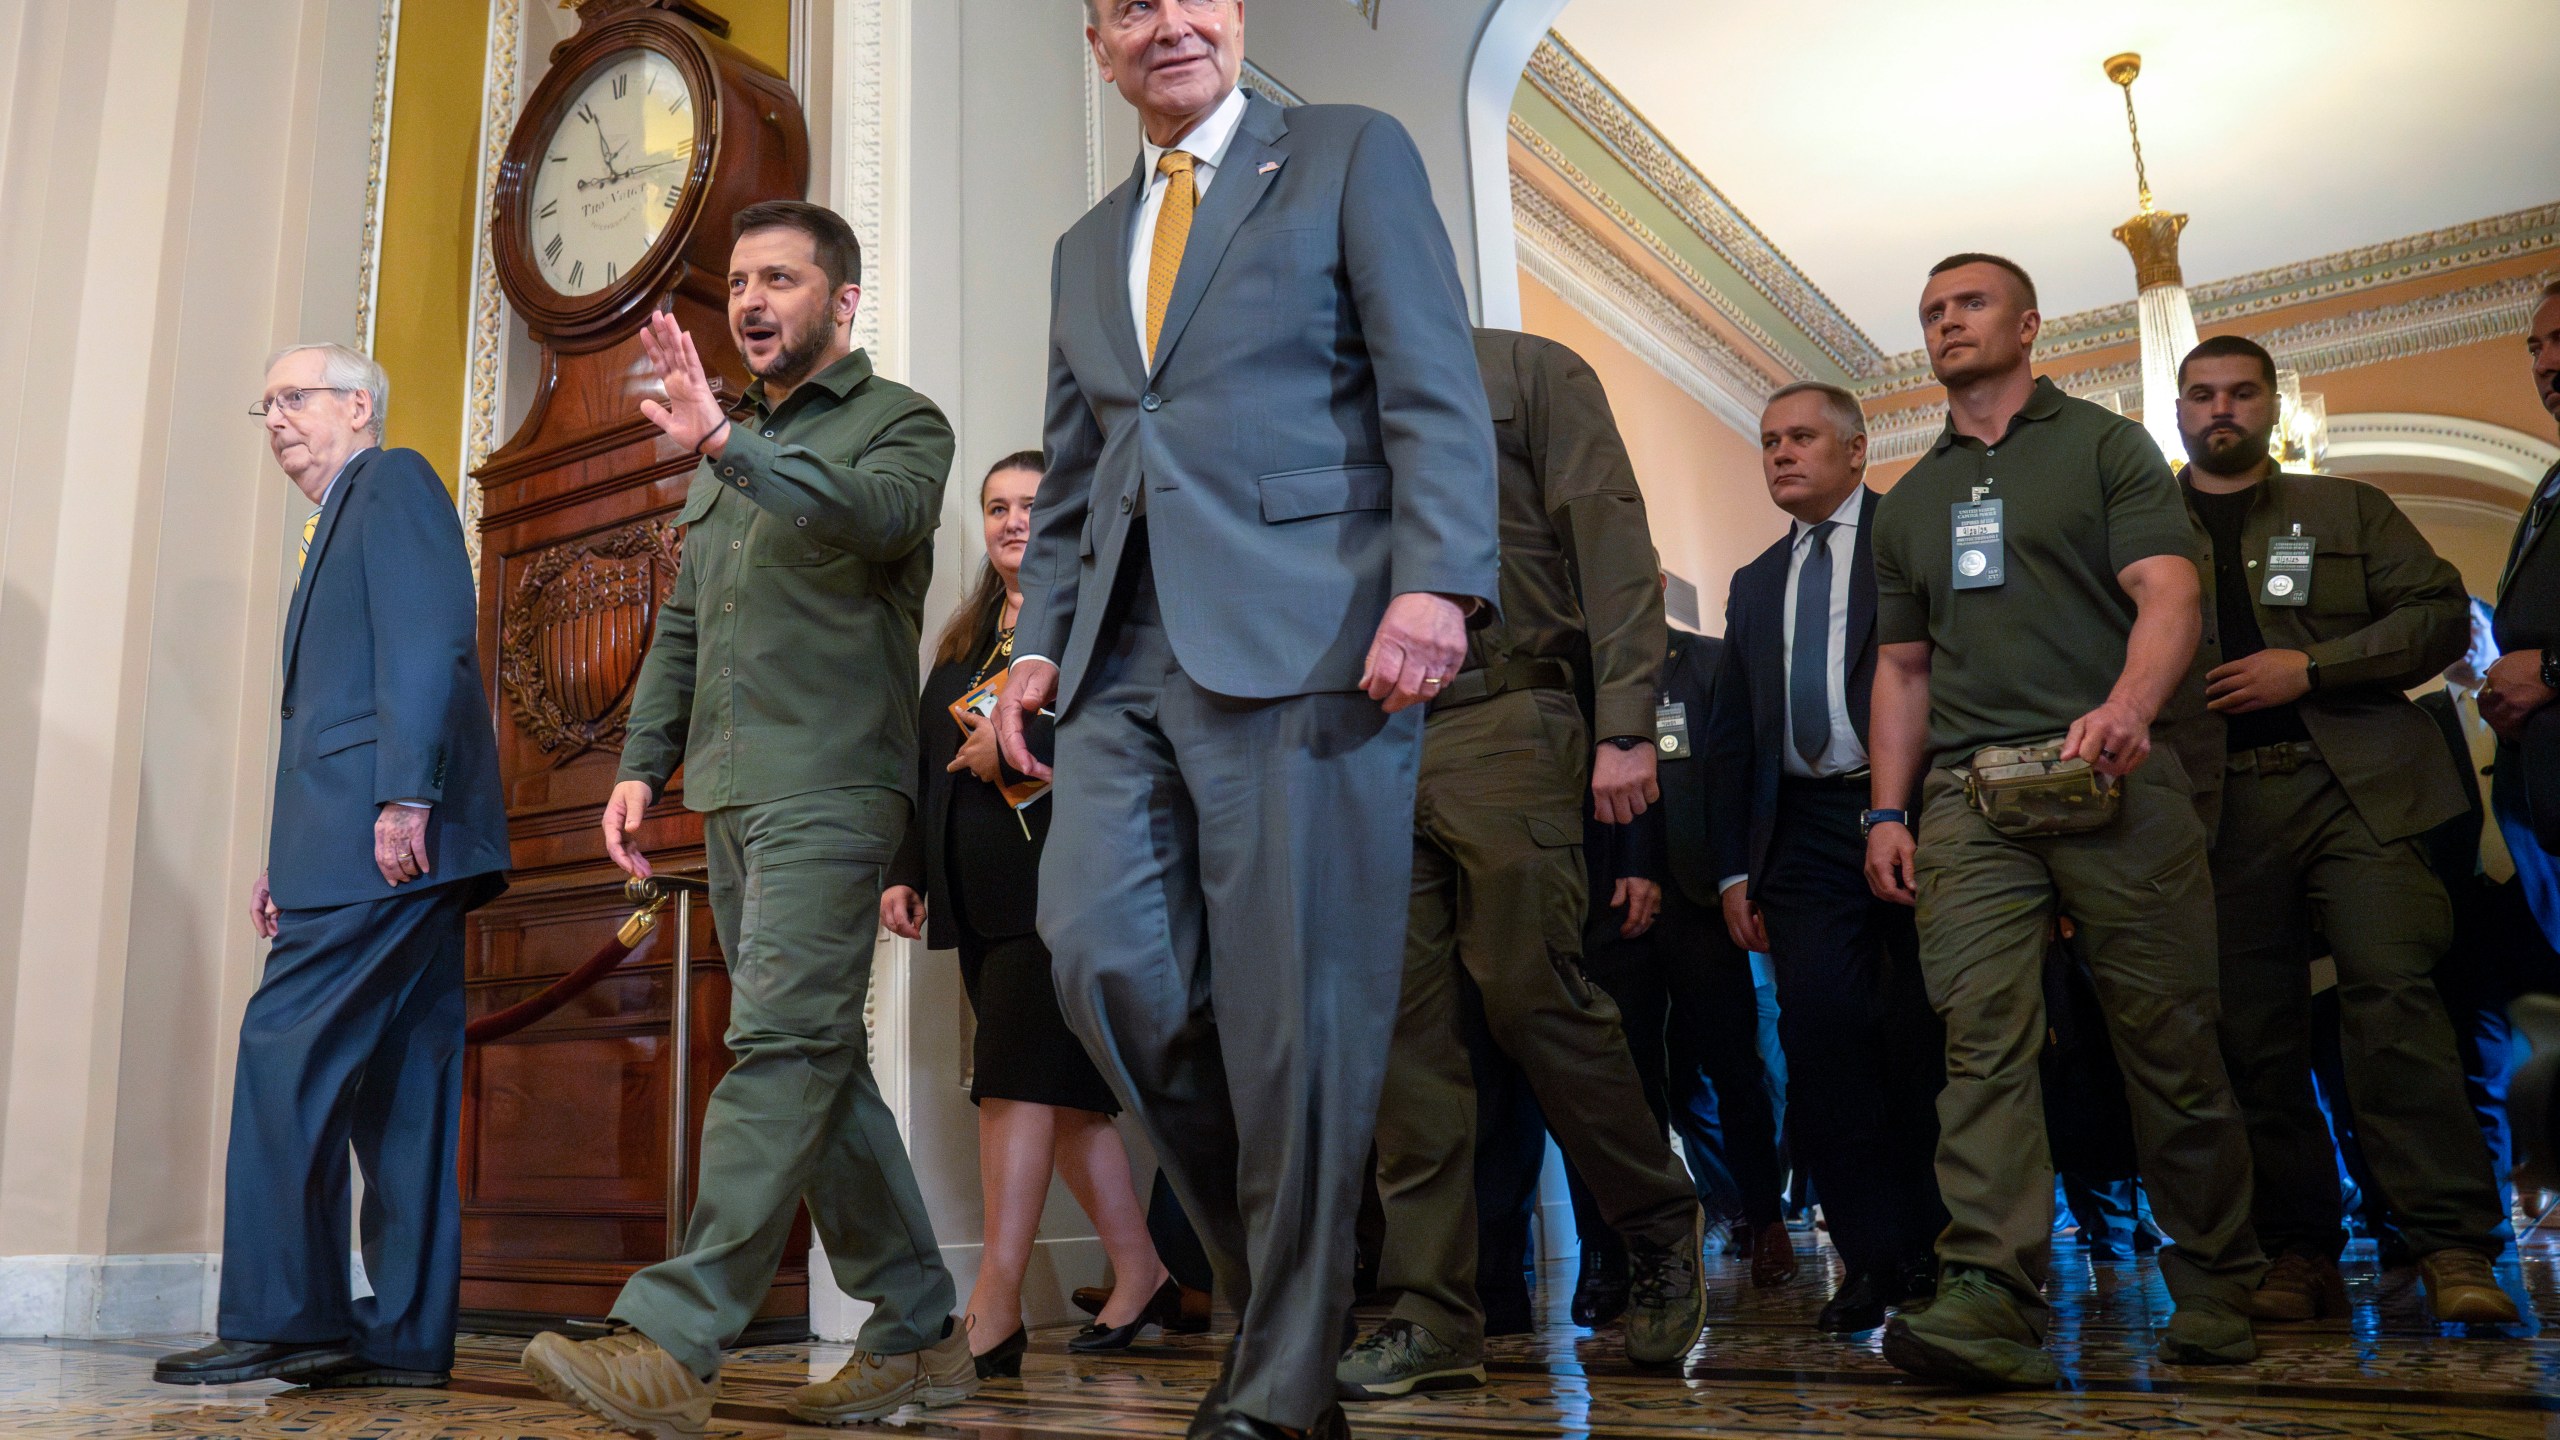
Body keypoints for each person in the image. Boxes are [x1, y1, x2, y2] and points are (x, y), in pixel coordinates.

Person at [996, 6, 1500, 1436]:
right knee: (1099, 961)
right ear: (1097, 43)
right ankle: (1295, 1295)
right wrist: (1036, 646)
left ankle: (1281, 1380)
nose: (1171, 23)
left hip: (1313, 632)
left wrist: (1439, 581)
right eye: (1131, 7)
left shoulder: (1345, 154)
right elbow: (1079, 471)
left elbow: (1430, 381)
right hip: (1121, 656)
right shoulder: (1084, 246)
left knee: (1299, 1020)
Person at [521, 201, 973, 1436]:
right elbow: (685, 620)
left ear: (843, 300)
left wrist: (724, 442)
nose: (752, 301)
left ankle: (674, 1341)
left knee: (778, 1047)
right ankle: (921, 1330)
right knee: (815, 1059)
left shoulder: (901, 424)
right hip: (729, 790)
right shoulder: (731, 446)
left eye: (780, 277)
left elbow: (876, 518)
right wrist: (640, 762)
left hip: (832, 783)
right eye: (737, 284)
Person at [1864, 254, 2265, 1389]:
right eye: (1932, 311)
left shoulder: (2106, 447)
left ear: (2029, 324)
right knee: (1980, 1044)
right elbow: (1902, 671)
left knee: (2169, 1037)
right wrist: (1885, 810)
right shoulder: (1912, 500)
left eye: (1971, 303)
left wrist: (2129, 708)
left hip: (2116, 776)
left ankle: (2214, 1278)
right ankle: (1990, 1291)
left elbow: (2168, 593)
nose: (1948, 322)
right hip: (1971, 799)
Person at [1340, 327, 1701, 1400]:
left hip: (1505, 709)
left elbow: (1611, 540)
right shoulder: (1311, 398)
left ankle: (1656, 1222)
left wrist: (1626, 720)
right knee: (1403, 1034)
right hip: (1360, 738)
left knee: (1531, 991)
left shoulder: (1528, 370)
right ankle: (1433, 1311)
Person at [155, 344, 509, 1390]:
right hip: (362, 845)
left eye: (295, 397)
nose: (275, 418)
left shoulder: (390, 482)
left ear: (359, 407)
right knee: (403, 1094)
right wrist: (285, 858)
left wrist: (408, 793)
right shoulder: (336, 521)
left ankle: (284, 1317)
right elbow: (331, 715)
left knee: (281, 1056)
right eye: (264, 403)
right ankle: (402, 1338)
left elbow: (430, 640)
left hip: (385, 841)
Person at [2172, 332, 2518, 1327]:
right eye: (2202, 394)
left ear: (2272, 407)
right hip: (2216, 810)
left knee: (2394, 1004)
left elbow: (2438, 615)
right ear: (2180, 411)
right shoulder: (2136, 527)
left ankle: (2450, 1247)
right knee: (2252, 1037)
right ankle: (2297, 1254)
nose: (2222, 409)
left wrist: (2311, 668)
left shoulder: (2346, 509)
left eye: (2242, 392)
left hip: (2360, 790)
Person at [882, 451, 1188, 1376]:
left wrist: (1016, 752)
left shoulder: (1098, 617)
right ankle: (1143, 1272)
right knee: (1064, 1104)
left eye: (1032, 505)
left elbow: (1138, 734)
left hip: (1062, 894)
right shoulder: (965, 638)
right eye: (997, 507)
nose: (1014, 521)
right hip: (978, 899)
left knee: (1012, 1088)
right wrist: (907, 870)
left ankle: (996, 1305)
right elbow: (924, 764)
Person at [1703, 381, 1946, 1337]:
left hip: (1913, 809)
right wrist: (1734, 870)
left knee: (1921, 1035)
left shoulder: (1907, 536)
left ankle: (1940, 1248)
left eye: (1801, 437)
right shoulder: (1755, 581)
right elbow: (1732, 735)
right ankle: (1869, 1258)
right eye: (1769, 441)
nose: (1781, 454)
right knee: (1821, 1040)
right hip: (1799, 832)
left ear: (1855, 449)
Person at [2482, 280, 2560, 953]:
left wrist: (2551, 671)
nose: (2545, 363)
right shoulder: (2550, 483)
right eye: (2536, 348)